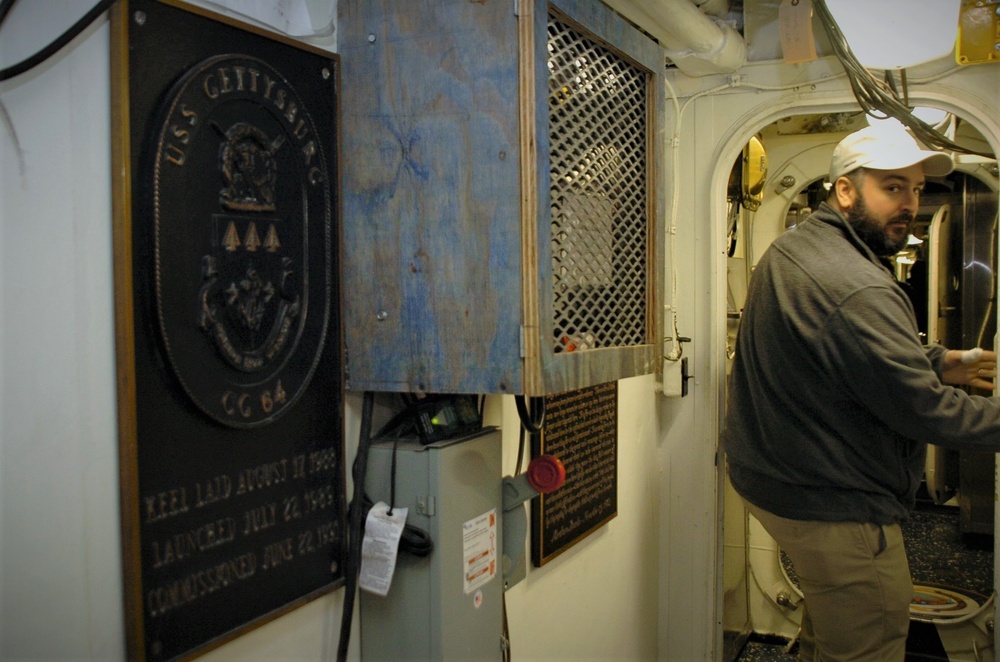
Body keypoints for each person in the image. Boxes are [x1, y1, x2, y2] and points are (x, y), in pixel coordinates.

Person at [722, 122, 1000, 661]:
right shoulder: (857, 286)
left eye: (916, 189)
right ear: (845, 190)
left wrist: (943, 362)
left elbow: (838, 356)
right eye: (892, 187)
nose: (909, 204)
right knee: (870, 640)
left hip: (774, 479)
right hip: (835, 503)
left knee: (832, 627)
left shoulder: (797, 247)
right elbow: (928, 413)